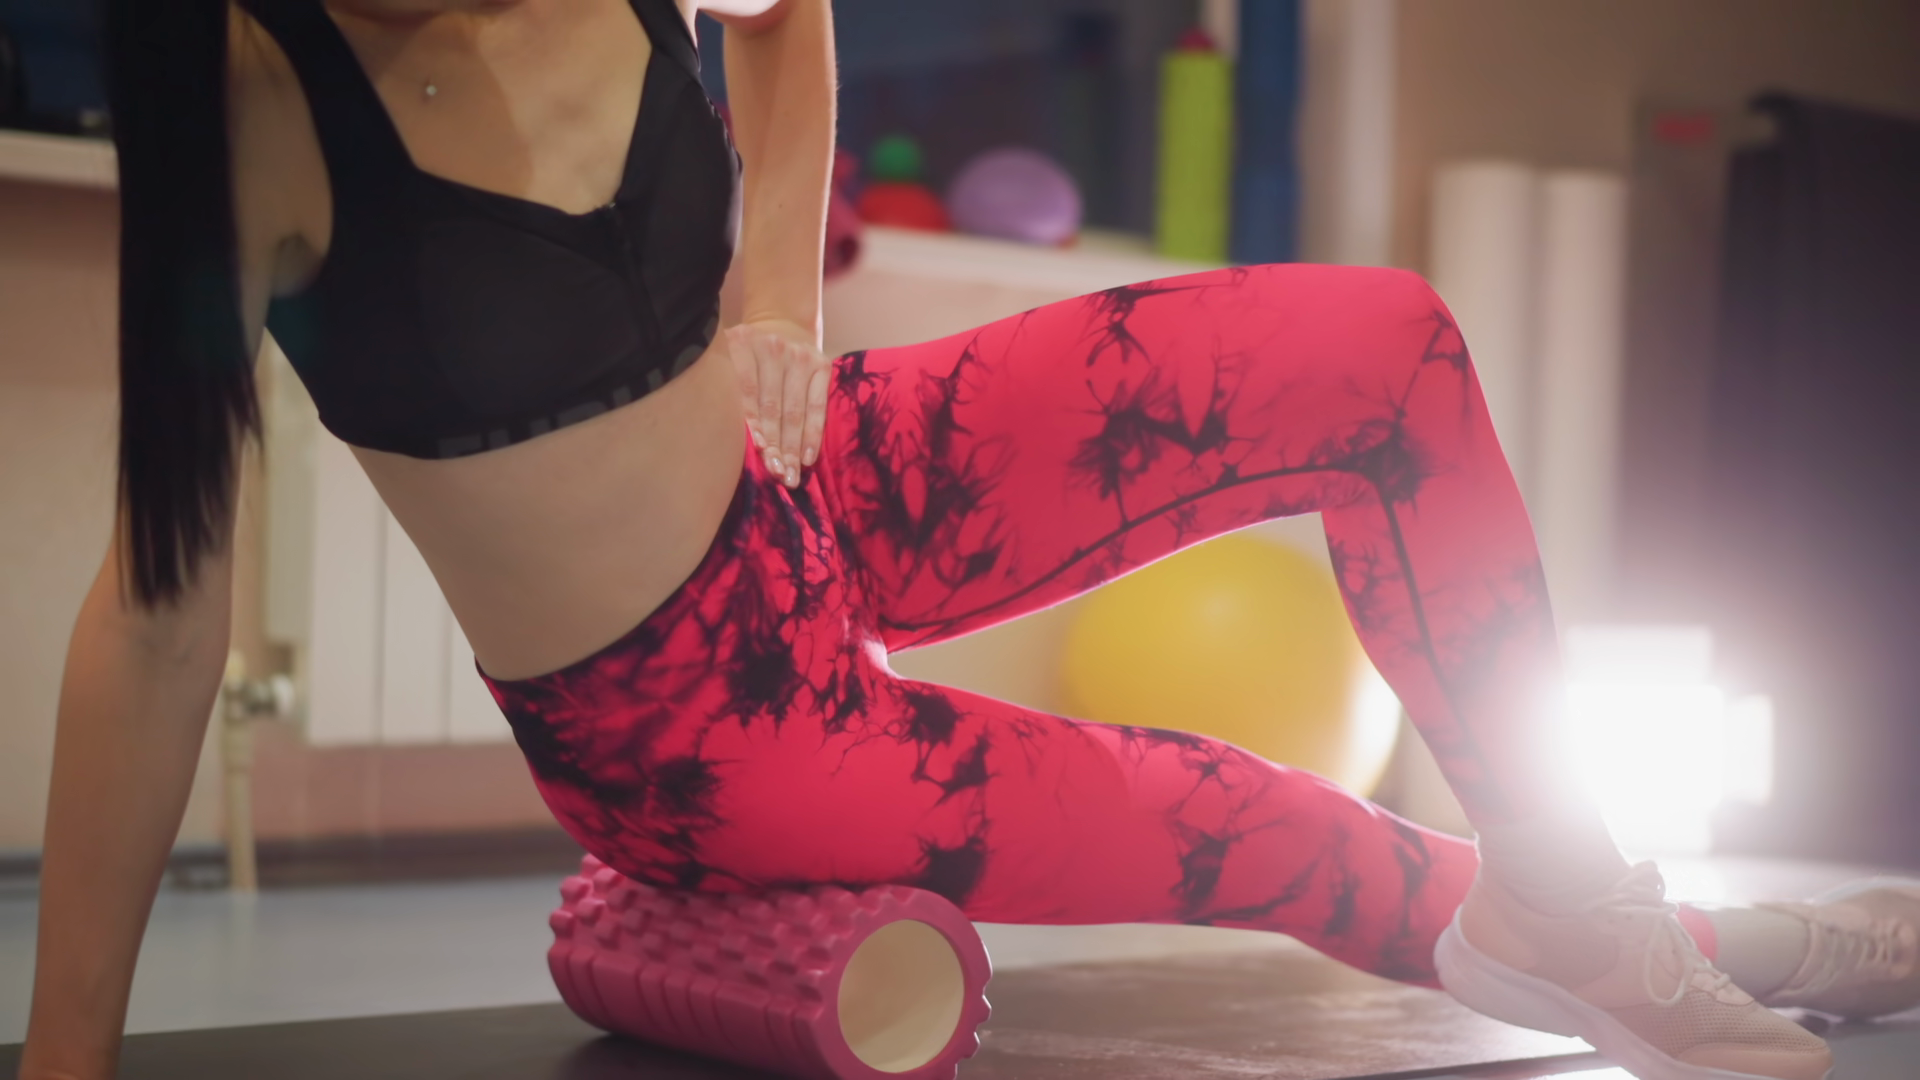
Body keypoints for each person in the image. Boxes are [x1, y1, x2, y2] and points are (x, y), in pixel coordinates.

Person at [18, 1, 1919, 1078]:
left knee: (1381, 350)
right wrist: (68, 1056)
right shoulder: (246, 98)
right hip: (696, 733)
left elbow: (787, 18)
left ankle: (1580, 899)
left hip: (818, 472)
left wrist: (781, 298)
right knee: (1266, 817)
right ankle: (1743, 942)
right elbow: (161, 611)